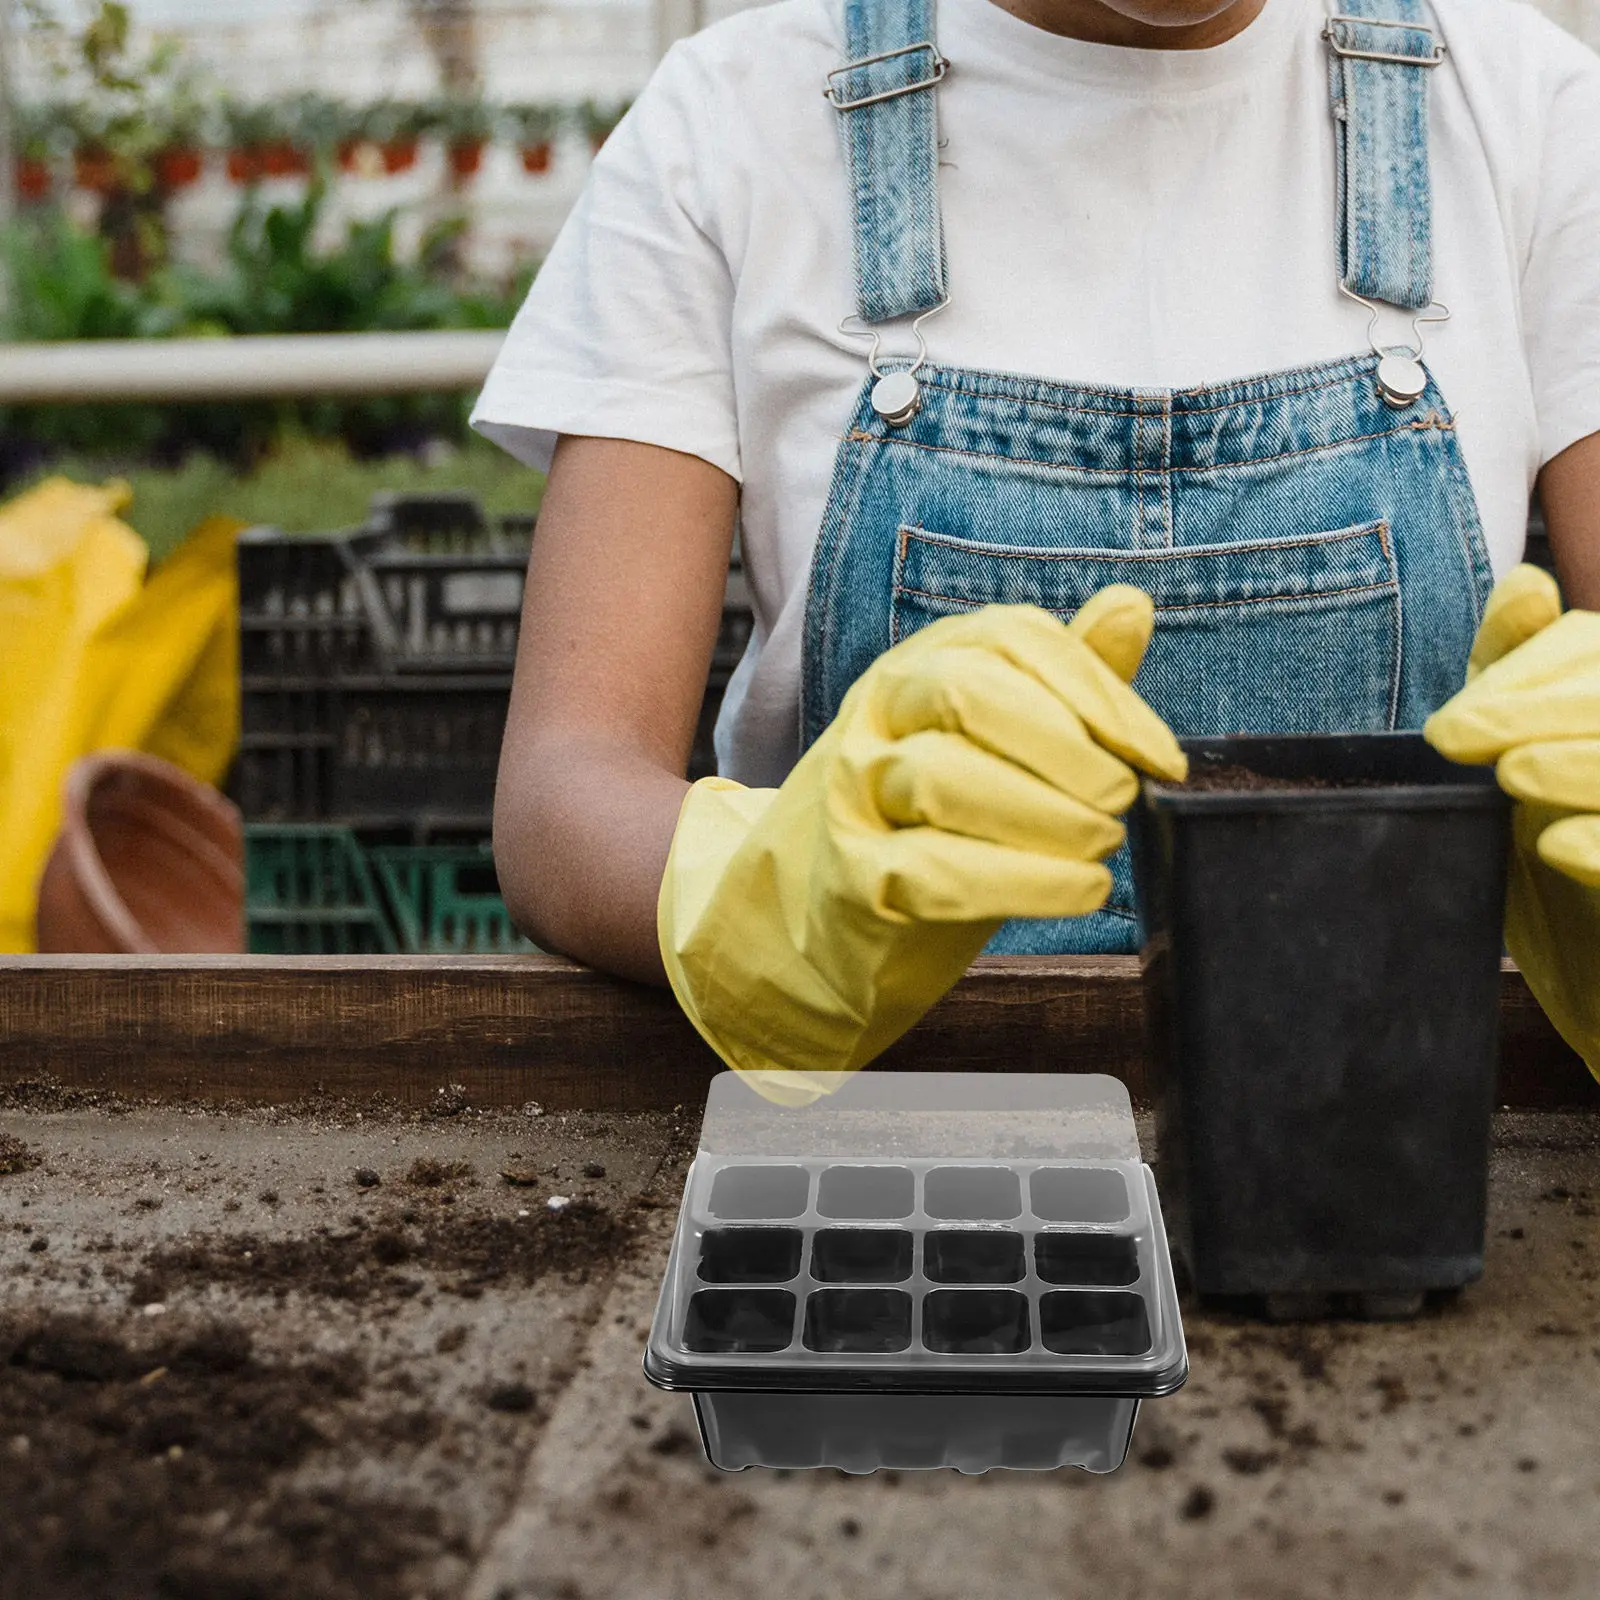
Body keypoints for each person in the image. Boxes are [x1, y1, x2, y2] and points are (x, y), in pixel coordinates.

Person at [473, 0, 1600, 1097]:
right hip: (887, 1162)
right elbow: (563, 790)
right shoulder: (733, 122)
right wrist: (760, 890)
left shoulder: (1532, 114)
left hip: (1392, 1139)